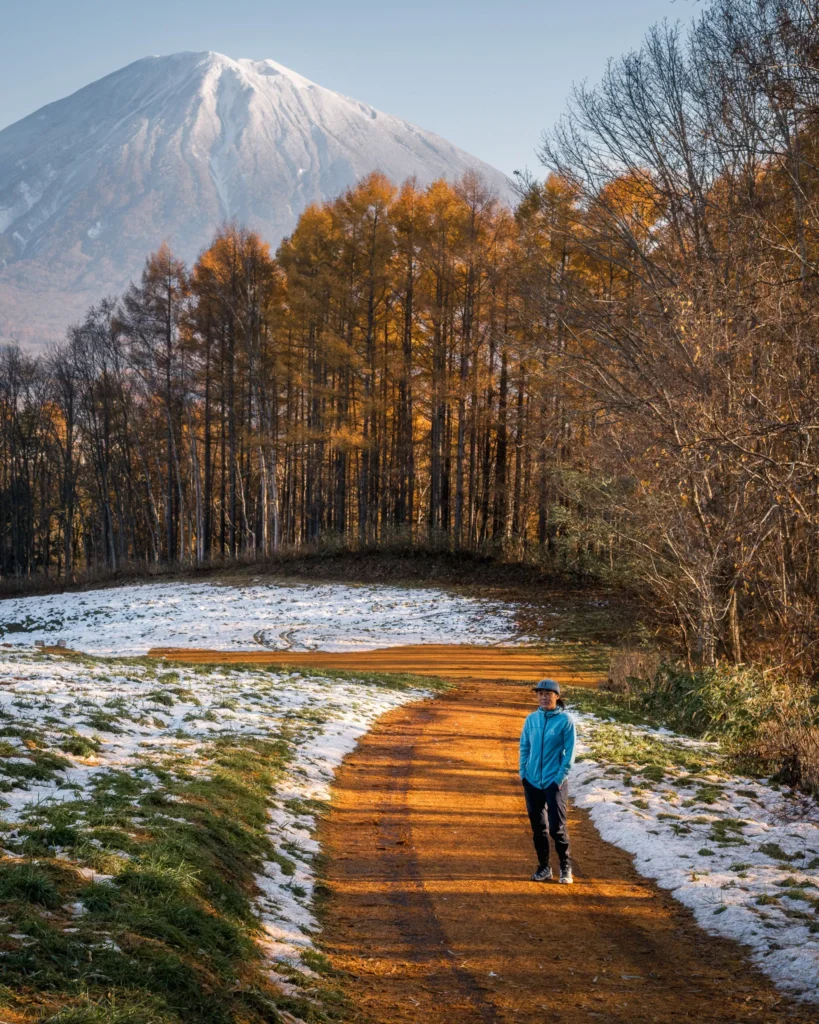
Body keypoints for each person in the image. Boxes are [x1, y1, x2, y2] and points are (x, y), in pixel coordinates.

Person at [519, 678, 576, 884]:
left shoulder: (565, 721)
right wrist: (523, 773)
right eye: (540, 693)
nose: (543, 697)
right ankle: (544, 868)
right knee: (538, 827)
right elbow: (524, 747)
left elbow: (569, 754)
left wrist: (559, 778)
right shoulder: (531, 720)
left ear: (557, 697)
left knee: (556, 828)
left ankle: (565, 867)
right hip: (532, 781)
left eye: (548, 693)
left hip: (555, 782)